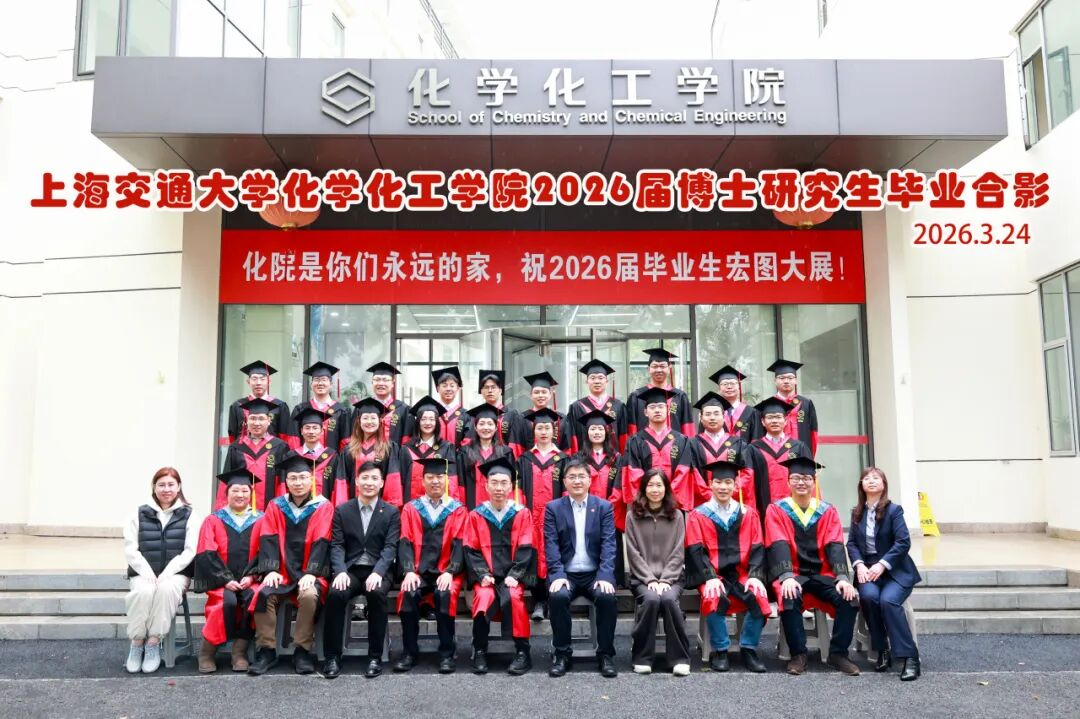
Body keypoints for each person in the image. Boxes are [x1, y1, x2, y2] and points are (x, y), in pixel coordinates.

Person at [765, 456, 860, 676]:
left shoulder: (827, 510)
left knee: (849, 598)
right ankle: (798, 654)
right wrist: (786, 575)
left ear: (814, 481)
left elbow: (835, 544)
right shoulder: (776, 509)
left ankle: (838, 654)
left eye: (806, 478)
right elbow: (778, 542)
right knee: (789, 596)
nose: (801, 482)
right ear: (788, 482)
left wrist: (843, 578)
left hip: (822, 573)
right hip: (793, 573)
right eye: (796, 478)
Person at [247, 452, 334, 676]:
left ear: (311, 479)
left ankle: (302, 650)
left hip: (311, 572)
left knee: (309, 595)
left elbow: (322, 540)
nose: (298, 483)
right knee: (264, 593)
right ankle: (267, 650)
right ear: (286, 481)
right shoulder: (276, 506)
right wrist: (271, 569)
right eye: (293, 478)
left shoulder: (323, 506)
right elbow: (268, 537)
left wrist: (312, 572)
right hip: (282, 571)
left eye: (303, 477)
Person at [685, 459, 769, 674]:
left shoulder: (749, 513)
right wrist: (709, 577)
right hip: (714, 574)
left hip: (742, 574)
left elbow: (758, 546)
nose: (723, 487)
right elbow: (695, 550)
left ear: (736, 485)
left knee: (759, 595)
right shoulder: (698, 515)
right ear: (711, 484)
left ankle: (748, 648)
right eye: (719, 482)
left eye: (728, 482)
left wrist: (755, 575)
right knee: (713, 595)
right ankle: (720, 650)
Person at [320, 461, 400, 679]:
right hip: (351, 569)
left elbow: (390, 547)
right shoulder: (343, 510)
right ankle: (332, 657)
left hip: (378, 570)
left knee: (376, 593)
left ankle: (374, 656)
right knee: (336, 594)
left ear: (382, 483)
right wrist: (340, 571)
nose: (369, 483)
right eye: (365, 478)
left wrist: (378, 572)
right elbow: (337, 545)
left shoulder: (391, 512)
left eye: (374, 478)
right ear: (356, 481)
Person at [545, 458, 619, 678]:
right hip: (567, 574)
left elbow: (609, 544)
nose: (577, 481)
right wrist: (558, 574)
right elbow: (551, 544)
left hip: (594, 574)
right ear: (564, 481)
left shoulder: (603, 507)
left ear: (590, 480)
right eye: (572, 477)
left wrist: (605, 575)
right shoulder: (554, 508)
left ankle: (605, 654)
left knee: (606, 597)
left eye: (581, 476)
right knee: (558, 596)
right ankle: (562, 654)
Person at [393, 457, 468, 674]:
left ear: (447, 480)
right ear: (423, 480)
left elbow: (460, 544)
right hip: (418, 572)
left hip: (446, 571)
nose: (435, 481)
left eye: (440, 477)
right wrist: (408, 571)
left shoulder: (458, 509)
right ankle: (409, 651)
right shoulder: (411, 508)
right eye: (430, 477)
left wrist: (451, 571)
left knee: (445, 594)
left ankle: (447, 652)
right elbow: (404, 541)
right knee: (408, 594)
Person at [463, 455, 536, 675]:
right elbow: (471, 549)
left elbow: (526, 546)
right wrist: (482, 574)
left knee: (514, 597)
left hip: (512, 577)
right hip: (486, 577)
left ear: (511, 486)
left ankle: (523, 651)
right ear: (486, 486)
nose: (499, 488)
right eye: (494, 483)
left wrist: (515, 574)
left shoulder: (522, 513)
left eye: (504, 483)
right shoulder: (476, 515)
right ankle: (479, 649)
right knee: (483, 597)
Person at [847, 467, 922, 681]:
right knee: (869, 598)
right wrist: (859, 565)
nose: (871, 481)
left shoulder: (894, 511)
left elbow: (903, 542)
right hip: (867, 571)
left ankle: (910, 657)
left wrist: (882, 564)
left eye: (876, 478)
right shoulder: (856, 512)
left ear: (883, 484)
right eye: (866, 478)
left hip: (895, 571)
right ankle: (882, 649)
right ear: (861, 485)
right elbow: (851, 543)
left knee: (888, 601)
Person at [124, 467, 201, 674]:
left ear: (179, 487)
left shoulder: (189, 515)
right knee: (143, 591)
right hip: (144, 573)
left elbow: (190, 550)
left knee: (166, 590)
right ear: (154, 487)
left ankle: (153, 642)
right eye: (161, 485)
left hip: (176, 574)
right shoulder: (138, 514)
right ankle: (137, 642)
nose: (166, 489)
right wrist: (147, 572)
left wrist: (168, 572)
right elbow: (130, 549)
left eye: (171, 484)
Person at [194, 468, 263, 673]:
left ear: (251, 493)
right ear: (227, 493)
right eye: (235, 490)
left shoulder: (261, 519)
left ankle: (239, 652)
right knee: (225, 602)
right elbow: (206, 552)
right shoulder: (213, 520)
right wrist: (225, 579)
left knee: (253, 599)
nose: (240, 495)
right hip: (221, 582)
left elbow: (267, 551)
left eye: (245, 490)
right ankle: (207, 652)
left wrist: (252, 576)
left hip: (250, 581)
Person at [624, 468, 691, 676]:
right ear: (644, 489)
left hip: (673, 578)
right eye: (650, 485)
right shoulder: (632, 516)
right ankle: (642, 657)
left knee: (669, 600)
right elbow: (633, 552)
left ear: (666, 488)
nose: (655, 490)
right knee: (652, 600)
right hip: (642, 579)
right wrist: (650, 579)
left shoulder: (677, 516)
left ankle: (679, 658)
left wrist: (666, 580)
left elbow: (678, 552)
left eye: (659, 485)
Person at [518, 407, 569, 621]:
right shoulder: (525, 459)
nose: (544, 431)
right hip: (531, 517)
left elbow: (567, 489)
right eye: (540, 428)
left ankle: (553, 597)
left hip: (554, 518)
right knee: (533, 555)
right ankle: (539, 600)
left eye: (547, 427)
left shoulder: (563, 459)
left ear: (554, 431)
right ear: (534, 431)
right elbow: (519, 488)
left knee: (553, 552)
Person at [622, 387, 702, 512]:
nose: (657, 410)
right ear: (645, 412)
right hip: (645, 506)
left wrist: (668, 497)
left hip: (673, 506)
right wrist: (649, 496)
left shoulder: (681, 440)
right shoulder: (635, 441)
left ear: (668, 410)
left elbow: (683, 473)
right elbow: (634, 473)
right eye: (652, 407)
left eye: (661, 406)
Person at [691, 391, 768, 522]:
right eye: (708, 414)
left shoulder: (739, 444)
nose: (712, 418)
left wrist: (729, 493)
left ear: (724, 416)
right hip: (705, 507)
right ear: (701, 418)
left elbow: (747, 474)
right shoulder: (693, 444)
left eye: (716, 413)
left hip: (734, 506)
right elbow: (692, 475)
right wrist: (711, 496)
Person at [573, 408, 625, 586]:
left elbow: (619, 486)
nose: (596, 432)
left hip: (610, 511)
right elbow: (575, 484)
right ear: (587, 433)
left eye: (600, 429)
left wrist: (606, 508)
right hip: (583, 510)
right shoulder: (579, 457)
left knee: (610, 542)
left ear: (607, 432)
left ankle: (613, 579)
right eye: (593, 429)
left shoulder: (616, 458)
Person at [386, 396, 462, 507]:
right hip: (411, 507)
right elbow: (399, 482)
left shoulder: (446, 448)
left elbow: (451, 482)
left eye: (431, 419)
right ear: (418, 422)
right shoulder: (406, 449)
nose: (427, 423)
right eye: (423, 419)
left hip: (439, 507)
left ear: (436, 422)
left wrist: (450, 507)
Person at [220, 397, 290, 511]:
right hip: (241, 511)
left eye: (261, 419)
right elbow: (226, 482)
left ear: (269, 421)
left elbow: (282, 482)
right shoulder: (236, 447)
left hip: (270, 509)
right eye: (253, 418)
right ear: (246, 421)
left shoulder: (280, 447)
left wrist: (280, 509)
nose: (257, 423)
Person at [333, 397, 400, 506]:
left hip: (380, 508)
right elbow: (342, 481)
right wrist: (344, 508)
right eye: (365, 418)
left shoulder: (389, 448)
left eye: (373, 418)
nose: (369, 422)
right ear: (359, 421)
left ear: (380, 421)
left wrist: (388, 509)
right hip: (354, 507)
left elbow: (392, 480)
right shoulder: (348, 450)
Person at [748, 396, 813, 505]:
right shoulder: (753, 449)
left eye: (778, 417)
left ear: (786, 421)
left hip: (794, 507)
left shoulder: (799, 447)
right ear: (763, 422)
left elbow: (809, 479)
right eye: (770, 417)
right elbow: (749, 484)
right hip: (763, 506)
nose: (774, 421)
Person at [458, 403, 516, 508]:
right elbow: (461, 484)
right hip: (472, 508)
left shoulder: (506, 453)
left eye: (490, 424)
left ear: (496, 427)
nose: (486, 427)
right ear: (475, 427)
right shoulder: (464, 452)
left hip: (499, 509)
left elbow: (511, 485)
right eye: (482, 424)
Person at [626, 347, 694, 437]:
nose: (658, 370)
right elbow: (631, 428)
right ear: (648, 369)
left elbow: (687, 428)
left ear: (669, 368)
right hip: (643, 445)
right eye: (655, 366)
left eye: (662, 366)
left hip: (675, 445)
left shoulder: (680, 396)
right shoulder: (636, 396)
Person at [566, 359, 629, 453]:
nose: (597, 381)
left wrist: (622, 458)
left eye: (600, 378)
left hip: (612, 458)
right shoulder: (577, 407)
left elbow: (623, 437)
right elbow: (573, 438)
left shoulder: (618, 406)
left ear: (606, 381)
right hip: (584, 458)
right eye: (592, 378)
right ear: (586, 381)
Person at [224, 361, 293, 446]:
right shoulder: (237, 406)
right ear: (248, 382)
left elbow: (284, 437)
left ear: (269, 381)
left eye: (262, 379)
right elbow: (232, 436)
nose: (258, 383)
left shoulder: (280, 406)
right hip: (243, 452)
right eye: (254, 379)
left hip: (272, 452)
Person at [291, 361, 352, 452]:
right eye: (316, 380)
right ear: (311, 385)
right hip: (305, 460)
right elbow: (294, 439)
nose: (320, 383)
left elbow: (345, 442)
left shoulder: (342, 411)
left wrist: (338, 460)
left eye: (324, 379)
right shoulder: (300, 409)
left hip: (333, 460)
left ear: (331, 385)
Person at [768, 359, 819, 456]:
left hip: (802, 456)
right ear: (775, 381)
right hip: (775, 456)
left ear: (795, 380)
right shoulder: (768, 405)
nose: (786, 381)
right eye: (782, 378)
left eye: (790, 378)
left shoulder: (806, 404)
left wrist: (810, 457)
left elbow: (813, 434)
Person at [473, 369, 526, 456]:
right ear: (481, 391)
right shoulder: (475, 415)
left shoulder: (512, 415)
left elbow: (515, 444)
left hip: (505, 460)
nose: (490, 391)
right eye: (486, 387)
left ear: (500, 391)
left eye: (493, 387)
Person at [514, 371, 572, 451]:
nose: (540, 395)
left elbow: (567, 449)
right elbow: (516, 448)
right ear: (531, 395)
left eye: (544, 392)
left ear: (550, 394)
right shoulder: (521, 419)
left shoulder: (561, 419)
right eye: (536, 392)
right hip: (527, 459)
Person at [706, 364, 762, 442]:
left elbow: (757, 440)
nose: (729, 387)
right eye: (725, 384)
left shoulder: (752, 412)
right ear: (719, 387)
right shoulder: (710, 413)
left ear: (739, 386)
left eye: (733, 383)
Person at [292, 407, 336, 500]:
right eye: (307, 428)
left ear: (322, 431)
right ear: (301, 431)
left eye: (315, 428)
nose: (311, 432)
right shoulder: (292, 456)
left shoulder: (332, 456)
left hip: (324, 505)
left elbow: (337, 487)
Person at [366, 362, 410, 444]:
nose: (381, 383)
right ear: (372, 382)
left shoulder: (403, 409)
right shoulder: (363, 407)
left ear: (393, 383)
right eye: (377, 379)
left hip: (394, 452)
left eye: (385, 380)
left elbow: (407, 440)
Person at [432, 365, 472, 446]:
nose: (448, 389)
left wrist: (458, 453)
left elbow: (467, 441)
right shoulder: (431, 412)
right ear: (438, 388)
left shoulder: (466, 415)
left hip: (457, 454)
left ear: (457, 388)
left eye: (452, 385)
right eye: (444, 385)